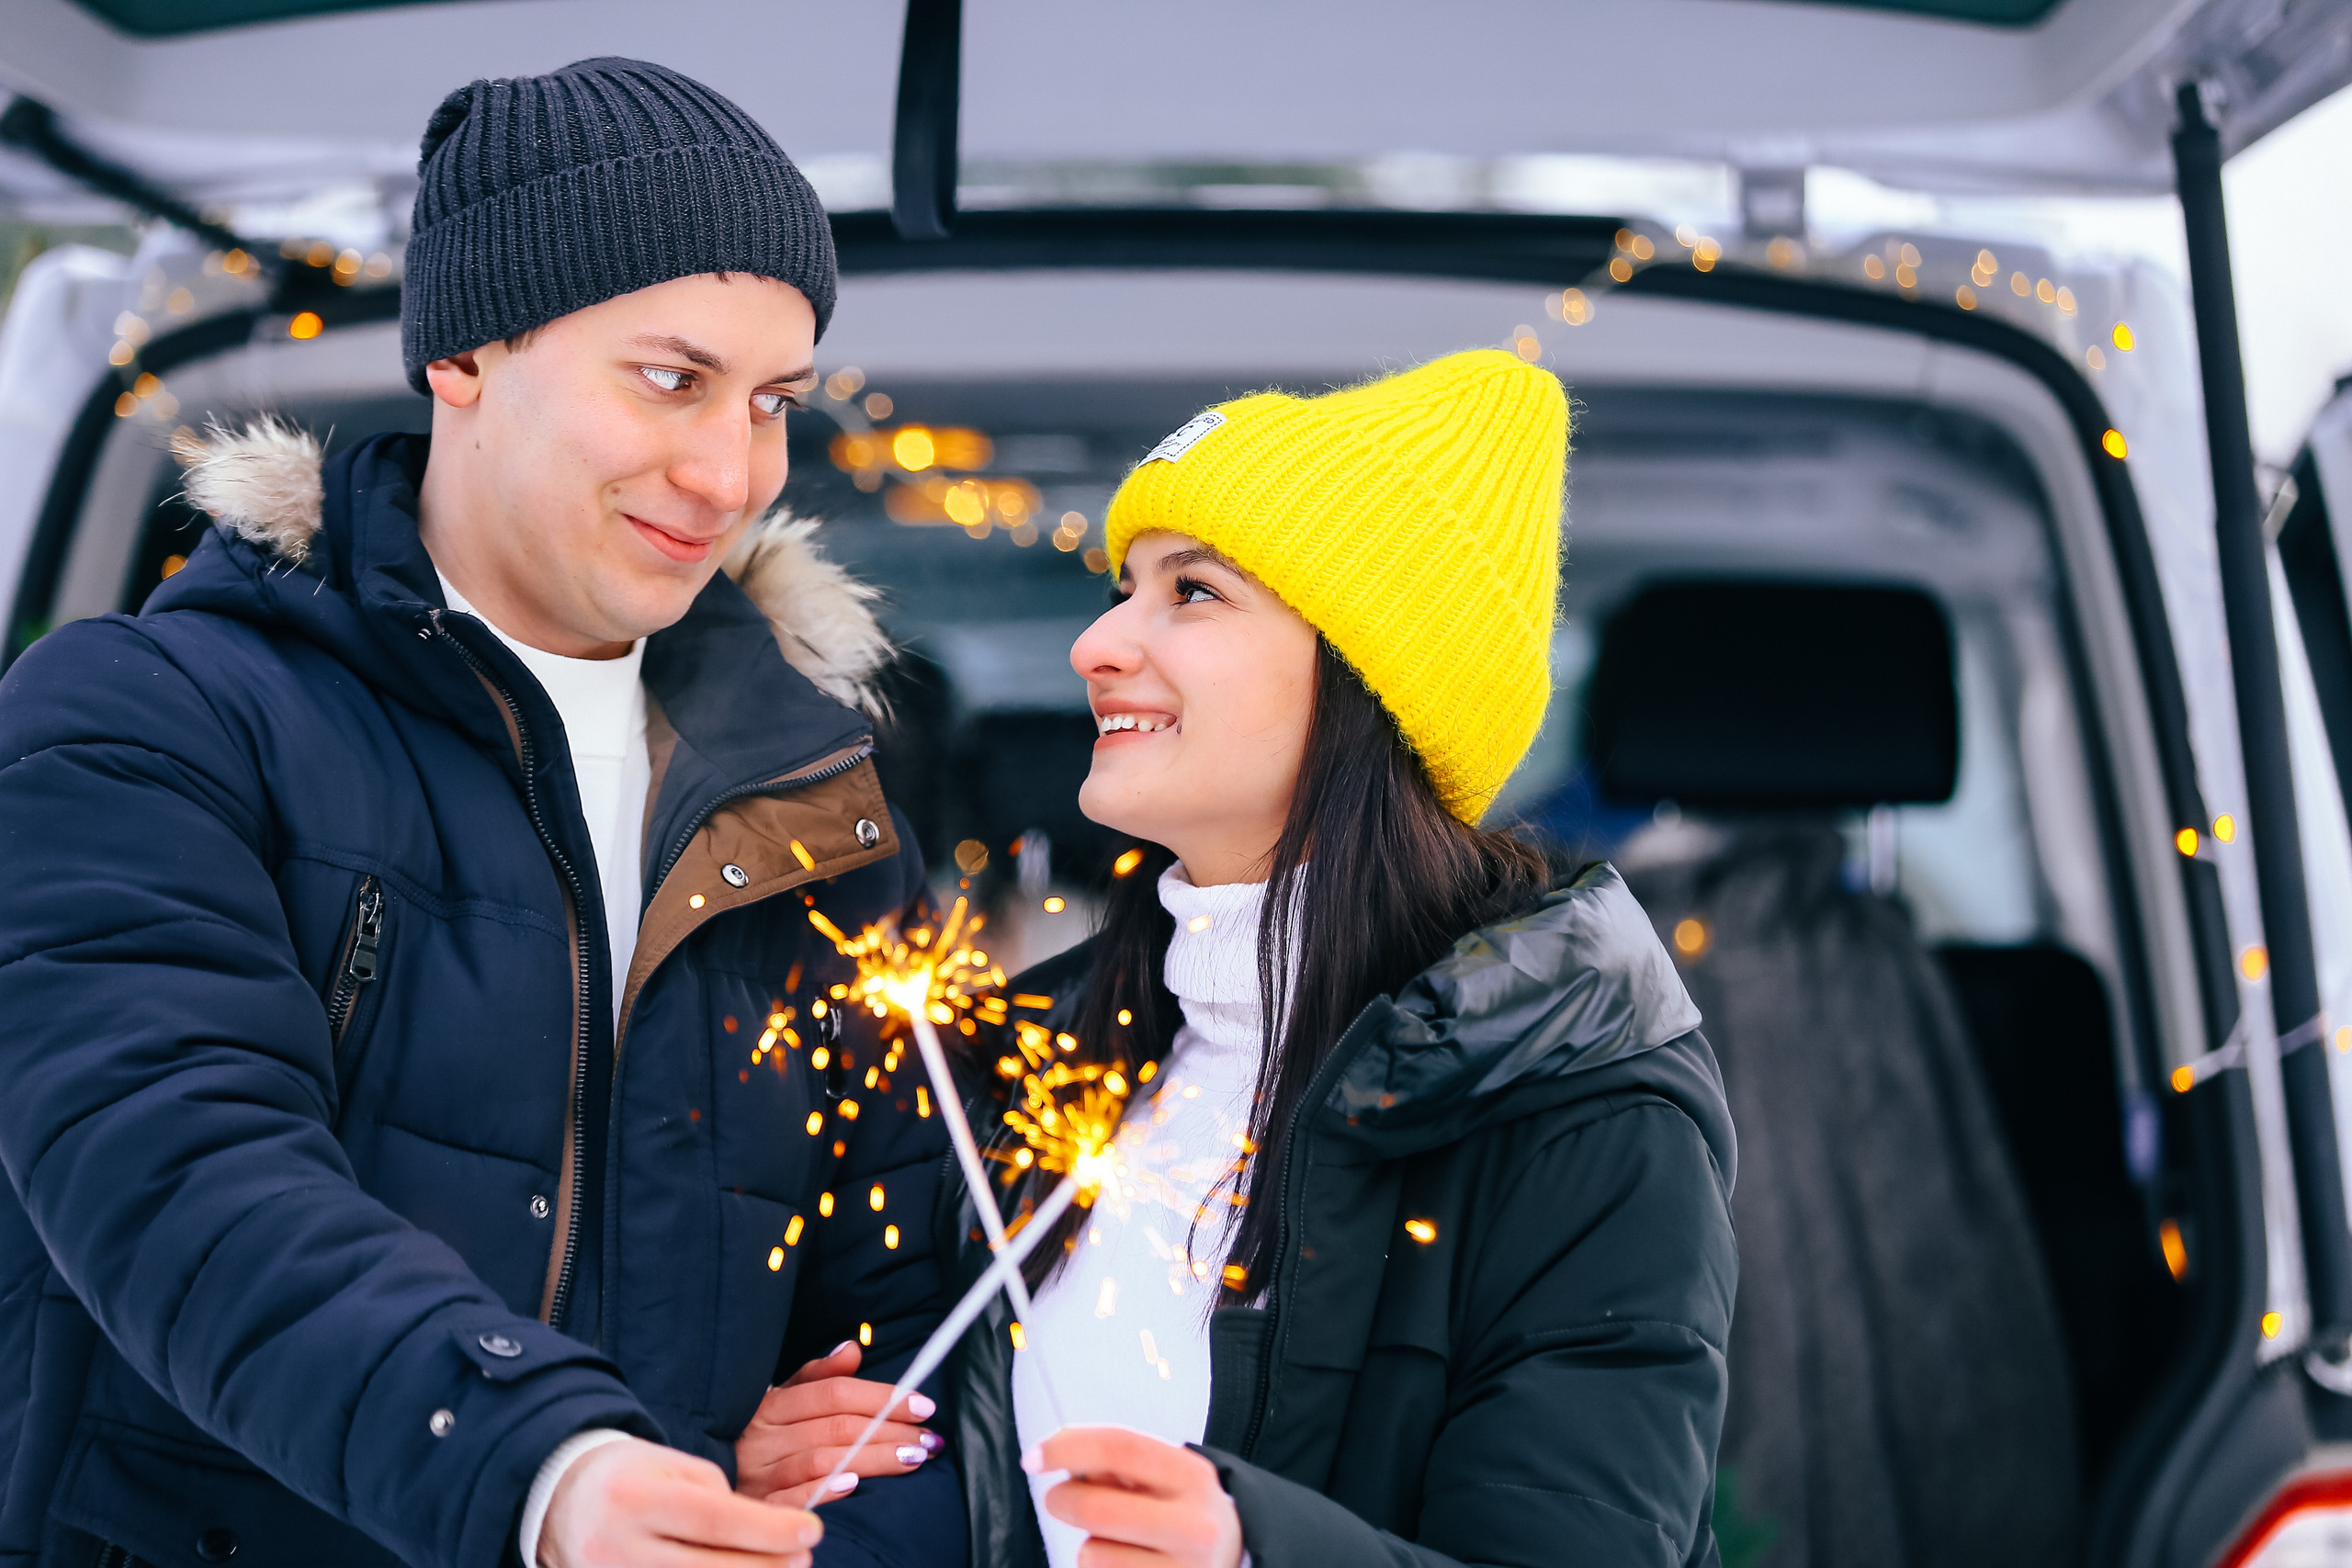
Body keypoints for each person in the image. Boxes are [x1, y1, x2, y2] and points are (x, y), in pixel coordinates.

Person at [0, 59, 960, 1568]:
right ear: (463, 353)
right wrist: (544, 1465)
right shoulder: (148, 721)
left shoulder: (813, 813)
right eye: (671, 376)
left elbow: (894, 1309)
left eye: (771, 400)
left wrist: (831, 1461)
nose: (730, 472)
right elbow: (183, 1173)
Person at [956, 350, 1736, 1565]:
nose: (1098, 643)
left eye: (1193, 592)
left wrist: (1252, 1550)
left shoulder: (1579, 1117)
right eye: (1122, 587)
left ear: (1372, 677)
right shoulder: (1014, 1063)